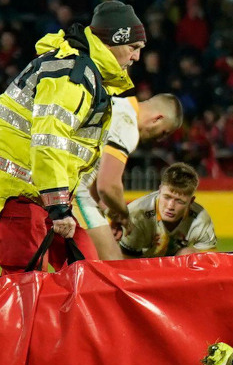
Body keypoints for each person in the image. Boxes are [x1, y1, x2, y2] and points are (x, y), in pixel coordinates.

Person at [0, 1, 145, 274]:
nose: (136, 57)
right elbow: (48, 143)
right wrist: (59, 208)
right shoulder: (72, 75)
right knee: (27, 289)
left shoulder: (82, 71)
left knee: (86, 277)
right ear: (113, 41)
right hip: (21, 193)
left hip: (44, 195)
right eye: (133, 48)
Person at [74, 93, 183, 260]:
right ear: (157, 118)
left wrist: (111, 211)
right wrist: (124, 216)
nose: (160, 139)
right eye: (164, 133)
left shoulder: (116, 104)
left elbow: (97, 182)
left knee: (73, 266)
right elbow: (108, 186)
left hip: (49, 181)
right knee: (111, 262)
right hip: (70, 189)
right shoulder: (127, 124)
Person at [117, 162, 218, 257]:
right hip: (138, 265)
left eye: (179, 201)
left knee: (188, 253)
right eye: (167, 197)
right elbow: (126, 262)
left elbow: (210, 260)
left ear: (191, 201)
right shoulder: (137, 214)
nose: (170, 206)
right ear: (160, 190)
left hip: (174, 269)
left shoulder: (201, 219)